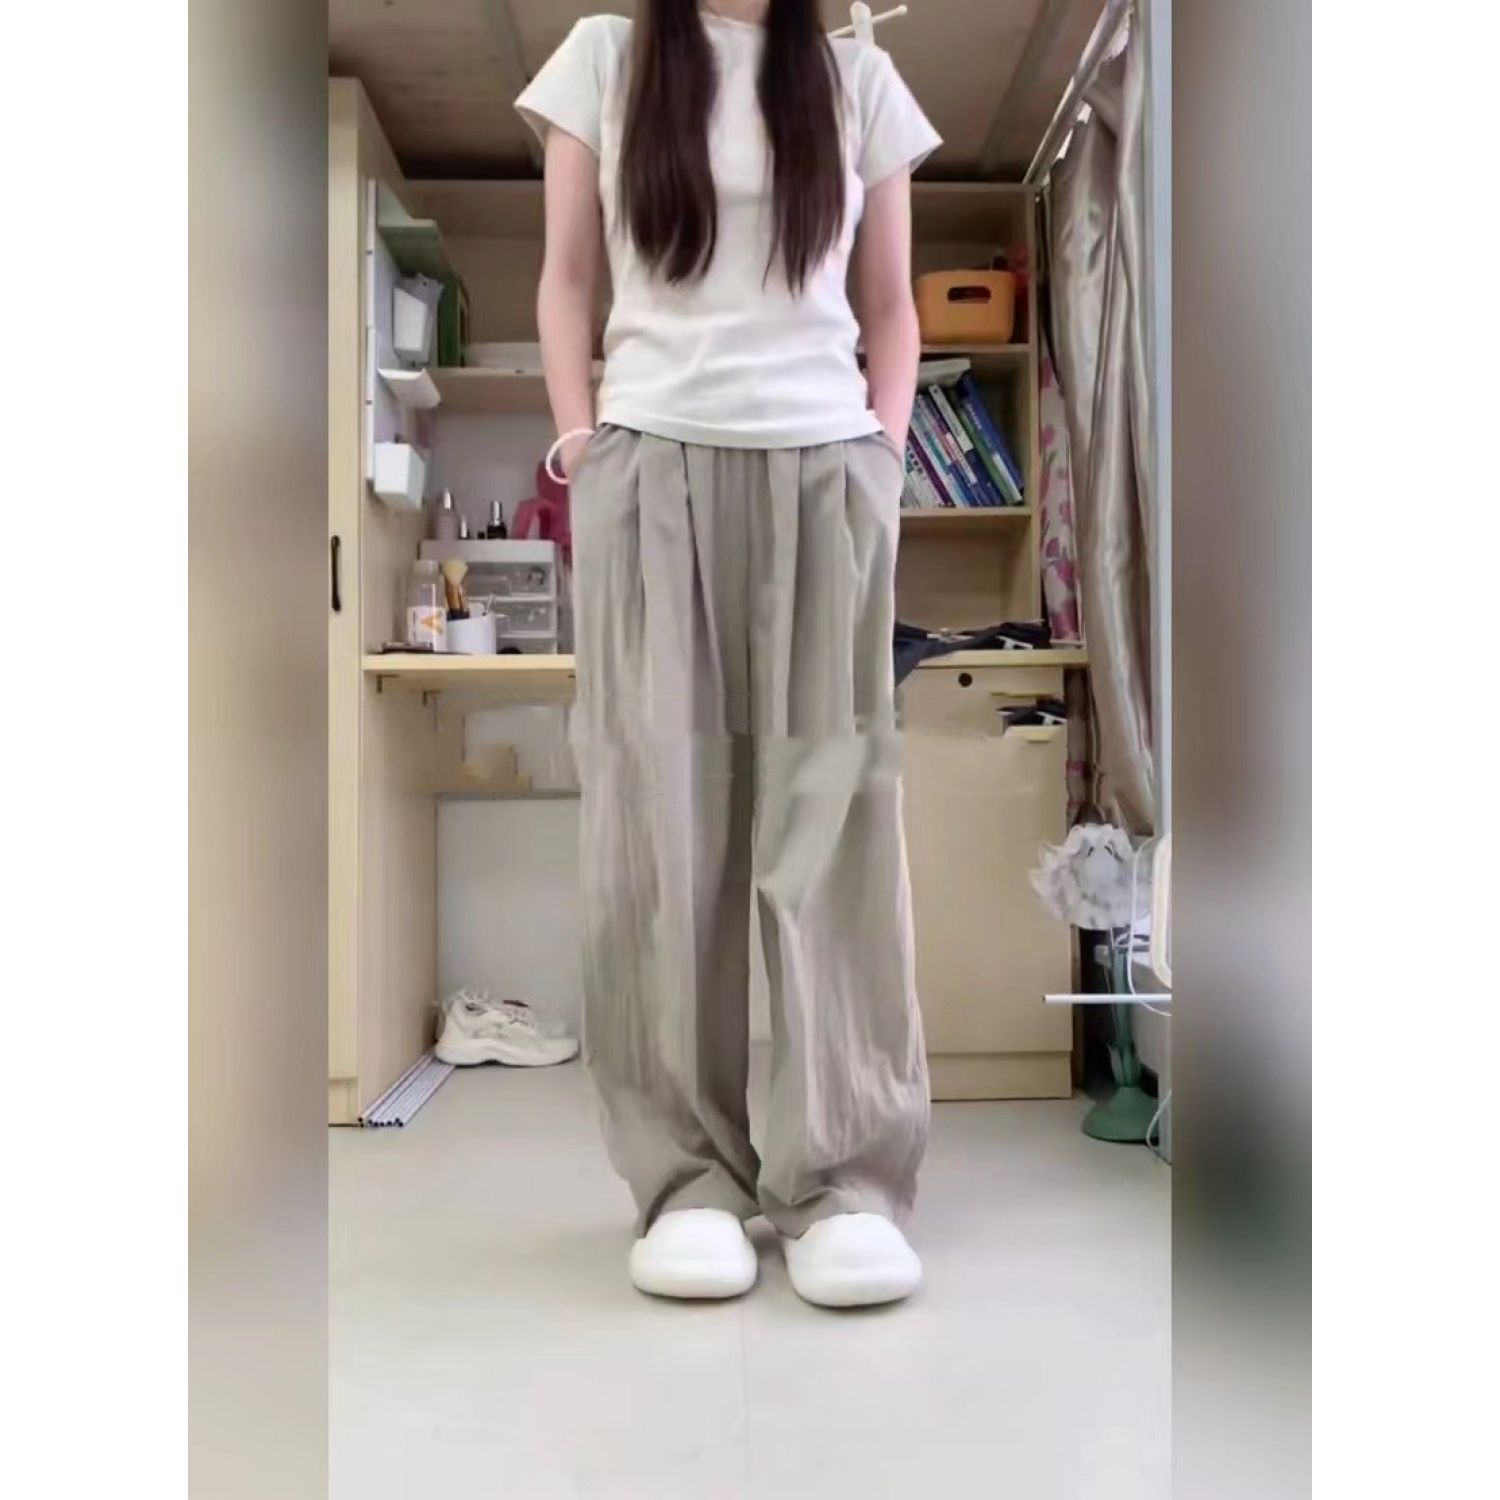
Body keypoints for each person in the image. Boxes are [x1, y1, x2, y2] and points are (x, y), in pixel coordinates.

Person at [516, 0, 939, 1308]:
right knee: (660, 834)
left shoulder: (858, 78)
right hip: (651, 465)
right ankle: (688, 1181)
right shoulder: (606, 56)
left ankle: (842, 1181)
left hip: (825, 470)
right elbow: (569, 279)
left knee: (832, 833)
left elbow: (891, 306)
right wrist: (583, 446)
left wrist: (882, 454)